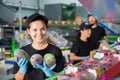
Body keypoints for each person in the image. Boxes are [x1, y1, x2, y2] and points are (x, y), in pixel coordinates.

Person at [12, 13, 65, 80]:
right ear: (29, 31)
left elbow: (60, 78)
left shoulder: (55, 51)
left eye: (42, 29)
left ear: (47, 29)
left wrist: (50, 73)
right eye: (35, 30)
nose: (39, 33)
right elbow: (17, 78)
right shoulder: (22, 52)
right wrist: (22, 69)